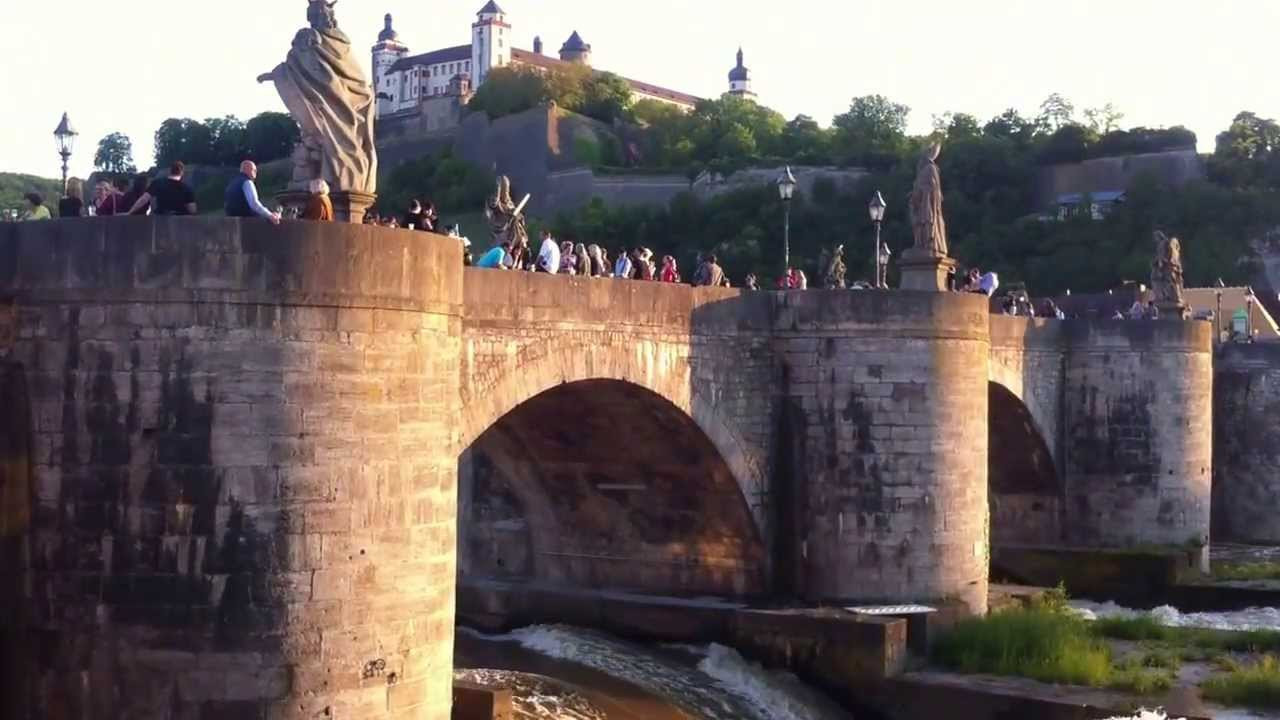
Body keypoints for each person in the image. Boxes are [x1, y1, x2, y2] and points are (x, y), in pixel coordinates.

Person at [128, 161, 197, 216]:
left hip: (161, 219)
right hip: (179, 222)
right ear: (181, 173)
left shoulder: (158, 183)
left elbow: (144, 199)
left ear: (170, 171)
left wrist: (130, 212)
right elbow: (192, 210)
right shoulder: (187, 188)